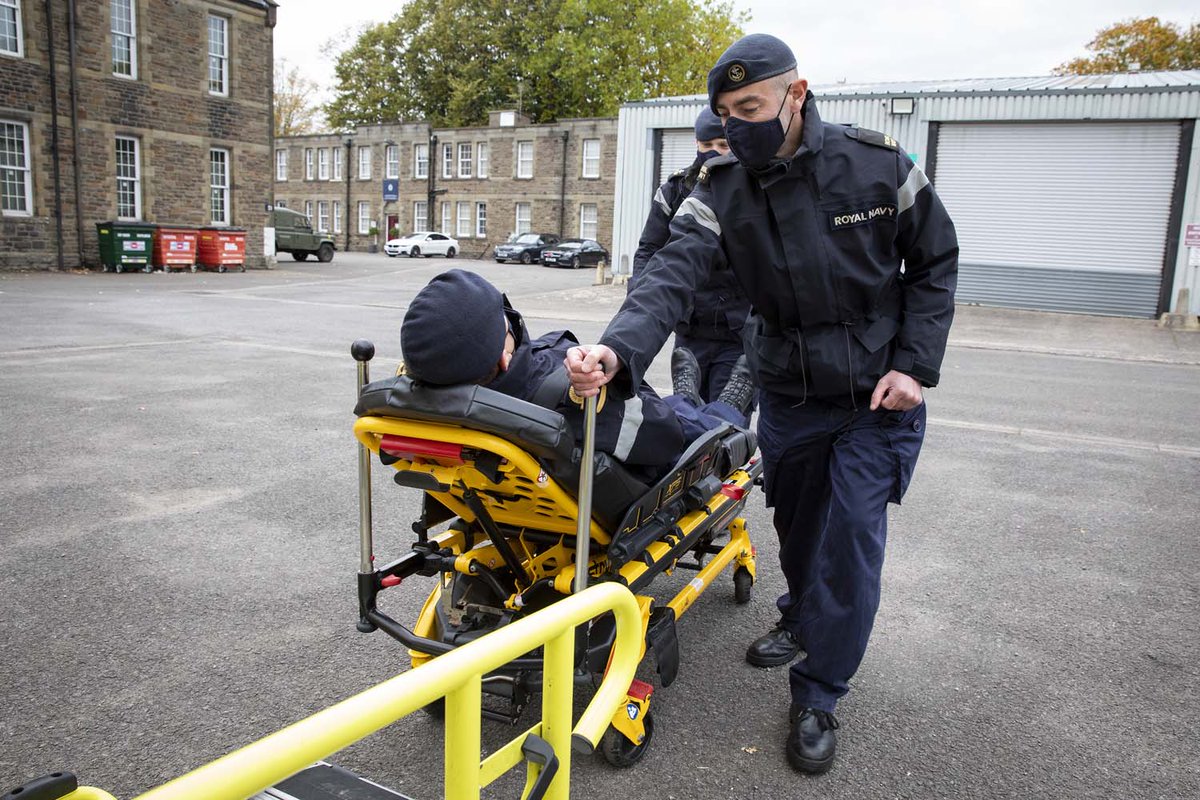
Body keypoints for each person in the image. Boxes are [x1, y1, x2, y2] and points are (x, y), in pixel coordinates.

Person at [565, 33, 958, 774]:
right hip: (789, 395)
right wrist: (615, 352)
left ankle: (818, 694)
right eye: (725, 110)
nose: (738, 122)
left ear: (796, 93)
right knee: (801, 531)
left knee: (849, 547)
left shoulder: (877, 167)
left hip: (876, 399)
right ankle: (803, 620)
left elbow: (935, 261)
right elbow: (669, 273)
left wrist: (914, 365)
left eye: (750, 105)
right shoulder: (720, 187)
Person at [399, 269, 755, 481]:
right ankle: (729, 404)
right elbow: (666, 437)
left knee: (678, 405)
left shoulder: (420, 406)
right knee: (699, 424)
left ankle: (688, 396)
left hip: (515, 492)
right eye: (505, 320)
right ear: (505, 358)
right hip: (642, 461)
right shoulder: (567, 392)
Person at [630, 108, 756, 426]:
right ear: (696, 142)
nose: (716, 153)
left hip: (738, 332)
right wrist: (638, 304)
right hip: (690, 328)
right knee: (686, 418)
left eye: (725, 146)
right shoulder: (673, 191)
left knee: (728, 423)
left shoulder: (756, 190)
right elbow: (649, 250)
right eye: (708, 145)